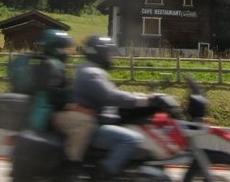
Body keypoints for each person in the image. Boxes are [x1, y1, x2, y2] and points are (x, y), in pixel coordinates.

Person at [71, 35, 154, 181]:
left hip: (100, 121)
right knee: (131, 139)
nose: (110, 57)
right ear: (96, 53)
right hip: (95, 126)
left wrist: (143, 97)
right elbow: (110, 96)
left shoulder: (92, 70)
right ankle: (102, 175)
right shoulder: (91, 73)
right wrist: (145, 100)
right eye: (106, 53)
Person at [32, 29, 92, 182]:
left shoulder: (45, 62)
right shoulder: (53, 65)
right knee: (84, 124)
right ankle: (73, 166)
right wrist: (76, 107)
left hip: (49, 109)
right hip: (51, 112)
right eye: (65, 48)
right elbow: (55, 95)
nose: (68, 52)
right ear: (56, 48)